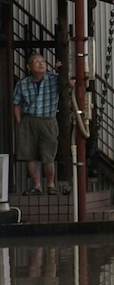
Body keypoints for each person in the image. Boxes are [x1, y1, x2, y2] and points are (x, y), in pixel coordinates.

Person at [11, 52, 63, 195]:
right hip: (29, 119)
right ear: (29, 66)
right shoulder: (23, 83)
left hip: (48, 120)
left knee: (48, 155)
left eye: (43, 61)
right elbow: (16, 103)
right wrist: (19, 122)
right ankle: (37, 186)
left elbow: (69, 83)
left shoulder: (54, 79)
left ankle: (51, 185)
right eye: (36, 61)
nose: (41, 63)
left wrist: (61, 69)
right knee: (30, 154)